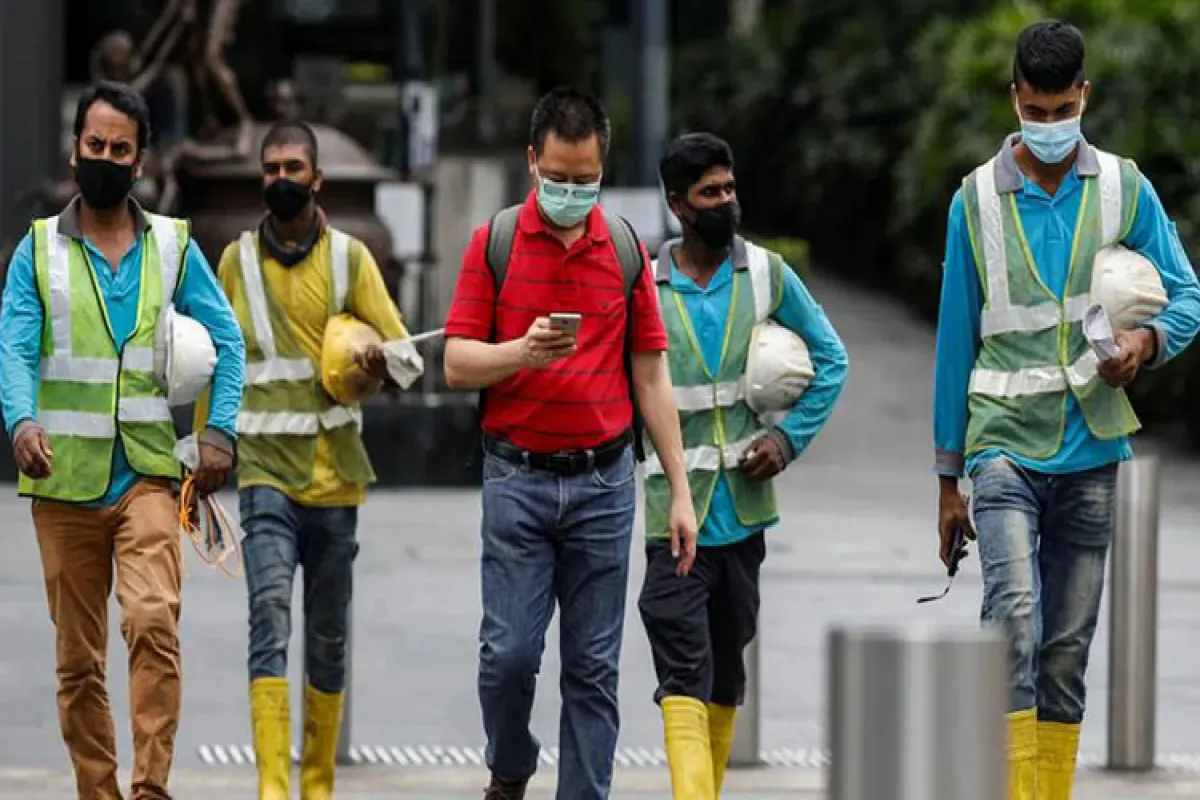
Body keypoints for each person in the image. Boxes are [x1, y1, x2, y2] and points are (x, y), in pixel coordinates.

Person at [933, 21, 1200, 800]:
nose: (1049, 126)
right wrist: (948, 478)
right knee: (1012, 621)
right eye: (1036, 110)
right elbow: (955, 341)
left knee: (1065, 652)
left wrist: (1145, 344)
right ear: (1014, 97)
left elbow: (1188, 295)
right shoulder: (974, 201)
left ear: (1085, 94)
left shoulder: (1125, 188)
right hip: (1001, 449)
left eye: (1061, 109)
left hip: (1091, 450)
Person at [443, 86, 698, 800]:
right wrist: (520, 354)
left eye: (585, 180)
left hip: (605, 485)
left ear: (603, 167)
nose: (571, 192)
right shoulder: (492, 244)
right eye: (558, 178)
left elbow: (651, 374)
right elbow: (458, 362)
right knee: (509, 657)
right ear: (532, 162)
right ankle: (512, 761)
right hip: (516, 479)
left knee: (593, 670)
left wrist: (677, 491)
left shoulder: (621, 250)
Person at [0, 80, 245, 800]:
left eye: (120, 149)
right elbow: (14, 348)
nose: (105, 158)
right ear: (74, 152)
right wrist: (21, 421)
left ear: (140, 162)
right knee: (77, 663)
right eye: (94, 146)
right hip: (63, 481)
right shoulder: (38, 251)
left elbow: (226, 340)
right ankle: (99, 791)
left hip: (146, 475)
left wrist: (218, 434)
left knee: (150, 621)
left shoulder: (171, 246)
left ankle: (152, 791)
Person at [200, 119, 409, 800]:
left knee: (326, 637)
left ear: (318, 179)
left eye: (294, 167)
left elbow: (409, 358)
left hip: (336, 479)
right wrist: (208, 448)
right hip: (263, 474)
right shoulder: (234, 262)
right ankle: (271, 786)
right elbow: (217, 363)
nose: (282, 179)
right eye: (272, 169)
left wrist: (379, 359)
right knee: (268, 615)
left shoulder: (352, 261)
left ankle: (316, 784)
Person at [637, 133, 848, 799]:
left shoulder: (767, 275)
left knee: (726, 675)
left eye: (729, 189)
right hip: (671, 516)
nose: (725, 202)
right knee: (682, 671)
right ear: (677, 204)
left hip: (744, 517)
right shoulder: (644, 286)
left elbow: (832, 361)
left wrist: (787, 443)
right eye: (709, 194)